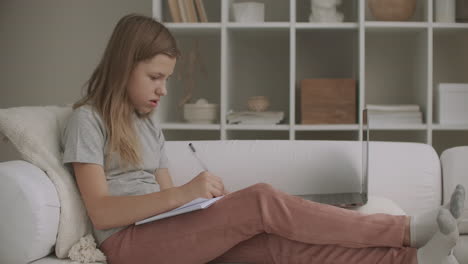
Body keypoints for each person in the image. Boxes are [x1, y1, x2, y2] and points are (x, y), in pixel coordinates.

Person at [61, 14, 465, 264]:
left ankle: (413, 260)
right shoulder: (87, 120)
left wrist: (206, 206)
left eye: (167, 79)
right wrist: (185, 195)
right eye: (155, 77)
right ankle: (405, 229)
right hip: (129, 247)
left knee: (279, 246)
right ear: (122, 67)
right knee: (261, 200)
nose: (163, 90)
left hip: (165, 235)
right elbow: (102, 213)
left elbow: (171, 201)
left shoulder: (147, 123)